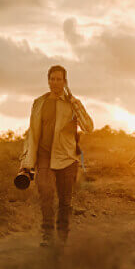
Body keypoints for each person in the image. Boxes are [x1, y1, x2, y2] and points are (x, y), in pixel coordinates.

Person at [19, 65, 94, 247]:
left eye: (59, 79)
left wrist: (76, 104)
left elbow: (88, 127)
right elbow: (32, 132)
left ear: (65, 81)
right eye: (52, 79)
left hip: (67, 157)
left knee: (65, 201)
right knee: (45, 192)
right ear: (48, 80)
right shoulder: (39, 102)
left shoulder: (72, 103)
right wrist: (26, 159)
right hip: (44, 156)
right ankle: (47, 235)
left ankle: (62, 238)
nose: (55, 82)